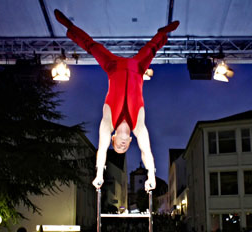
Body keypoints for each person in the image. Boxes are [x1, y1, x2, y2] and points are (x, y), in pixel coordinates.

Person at [54, 9, 180, 192]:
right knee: (152, 49)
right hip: (136, 69)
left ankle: (70, 26)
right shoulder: (139, 127)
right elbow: (146, 152)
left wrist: (99, 175)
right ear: (129, 141)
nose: (121, 146)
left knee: (92, 47)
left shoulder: (107, 124)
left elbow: (102, 151)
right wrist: (151, 175)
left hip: (113, 68)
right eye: (125, 147)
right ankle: (163, 33)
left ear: (112, 138)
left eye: (118, 147)